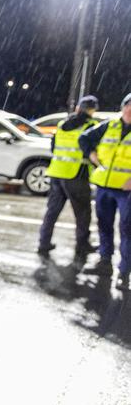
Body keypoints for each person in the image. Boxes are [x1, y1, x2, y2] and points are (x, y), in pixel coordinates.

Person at [38, 95, 99, 262]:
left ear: (78, 108)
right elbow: (94, 152)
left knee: (52, 212)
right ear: (92, 111)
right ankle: (82, 246)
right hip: (76, 176)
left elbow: (53, 147)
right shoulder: (91, 126)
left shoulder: (62, 125)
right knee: (83, 213)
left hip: (57, 173)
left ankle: (43, 243)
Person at [79, 92, 131, 289]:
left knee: (127, 230)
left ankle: (124, 273)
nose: (130, 111)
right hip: (104, 186)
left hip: (126, 190)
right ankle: (105, 262)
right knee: (104, 225)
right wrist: (92, 155)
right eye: (128, 106)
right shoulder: (110, 125)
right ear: (122, 107)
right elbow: (84, 139)